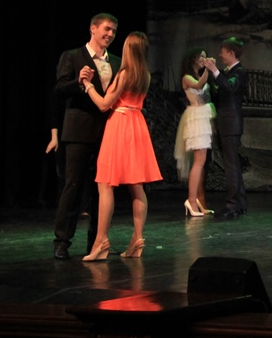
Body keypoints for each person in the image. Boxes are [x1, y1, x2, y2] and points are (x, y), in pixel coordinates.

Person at [81, 31, 162, 261]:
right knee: (137, 186)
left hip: (120, 124)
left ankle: (101, 242)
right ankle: (137, 239)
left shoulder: (125, 74)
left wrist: (87, 85)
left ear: (128, 49)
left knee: (105, 183)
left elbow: (104, 104)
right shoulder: (144, 75)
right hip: (137, 125)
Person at [48, 13, 120, 260]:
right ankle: (62, 241)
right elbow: (59, 89)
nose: (110, 34)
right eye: (106, 29)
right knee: (73, 186)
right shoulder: (72, 56)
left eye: (113, 31)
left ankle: (97, 242)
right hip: (79, 131)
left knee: (103, 190)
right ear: (93, 28)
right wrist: (79, 82)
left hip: (107, 132)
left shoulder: (116, 61)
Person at [206, 37, 248, 219]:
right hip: (226, 123)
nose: (220, 55)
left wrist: (215, 71)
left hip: (231, 123)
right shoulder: (229, 72)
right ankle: (240, 204)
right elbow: (219, 92)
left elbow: (230, 87)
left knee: (231, 166)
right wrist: (212, 74)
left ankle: (233, 205)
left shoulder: (239, 72)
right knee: (232, 165)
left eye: (223, 52)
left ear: (231, 53)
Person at [175, 47, 216, 218]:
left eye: (205, 57)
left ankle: (197, 200)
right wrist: (208, 69)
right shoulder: (187, 78)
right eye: (201, 57)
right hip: (195, 119)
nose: (203, 60)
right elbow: (198, 86)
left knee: (201, 161)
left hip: (203, 118)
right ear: (193, 59)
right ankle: (191, 200)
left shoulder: (199, 76)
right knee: (198, 161)